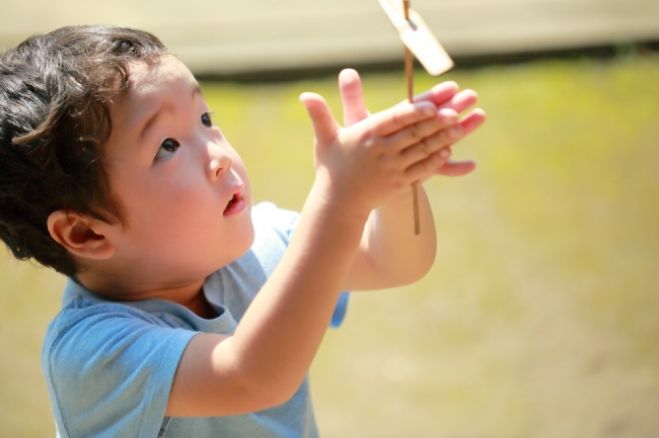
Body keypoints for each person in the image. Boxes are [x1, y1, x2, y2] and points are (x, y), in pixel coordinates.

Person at [0, 25, 485, 437]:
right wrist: (340, 198)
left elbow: (393, 261)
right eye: (167, 146)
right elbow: (252, 376)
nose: (218, 155)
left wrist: (394, 184)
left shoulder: (261, 243)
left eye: (206, 120)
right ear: (85, 234)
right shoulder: (92, 353)